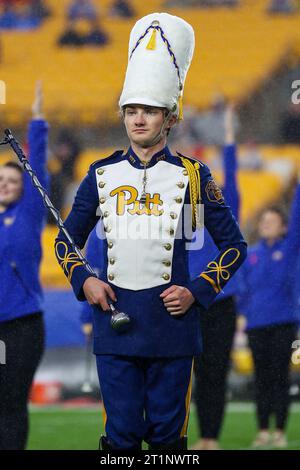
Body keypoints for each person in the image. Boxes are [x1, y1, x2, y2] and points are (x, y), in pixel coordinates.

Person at [55, 12, 247, 450]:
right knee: (120, 440)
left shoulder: (196, 174)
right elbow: (65, 240)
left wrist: (198, 290)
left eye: (150, 111)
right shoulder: (99, 173)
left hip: (173, 327)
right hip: (114, 324)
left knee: (167, 441)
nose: (139, 120)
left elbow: (234, 246)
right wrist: (84, 280)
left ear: (170, 117)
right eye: (132, 111)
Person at [0, 82, 49, 450]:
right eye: (0, 180)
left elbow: (39, 171)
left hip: (20, 327)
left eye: (13, 181)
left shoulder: (30, 214)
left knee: (12, 403)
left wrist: (37, 124)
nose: (5, 185)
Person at [238, 175, 300, 448]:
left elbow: (298, 221)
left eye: (271, 221)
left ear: (283, 227)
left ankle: (280, 433)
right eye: (263, 222)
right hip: (256, 324)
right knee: (261, 380)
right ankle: (263, 430)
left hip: (283, 322)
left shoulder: (289, 251)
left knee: (280, 378)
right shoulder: (251, 254)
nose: (265, 225)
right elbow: (243, 289)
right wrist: (242, 314)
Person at [191, 105, 240, 450]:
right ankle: (194, 434)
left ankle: (210, 438)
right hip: (188, 301)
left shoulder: (220, 207)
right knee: (189, 375)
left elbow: (232, 185)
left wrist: (229, 142)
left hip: (220, 301)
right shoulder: (178, 211)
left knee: (215, 373)